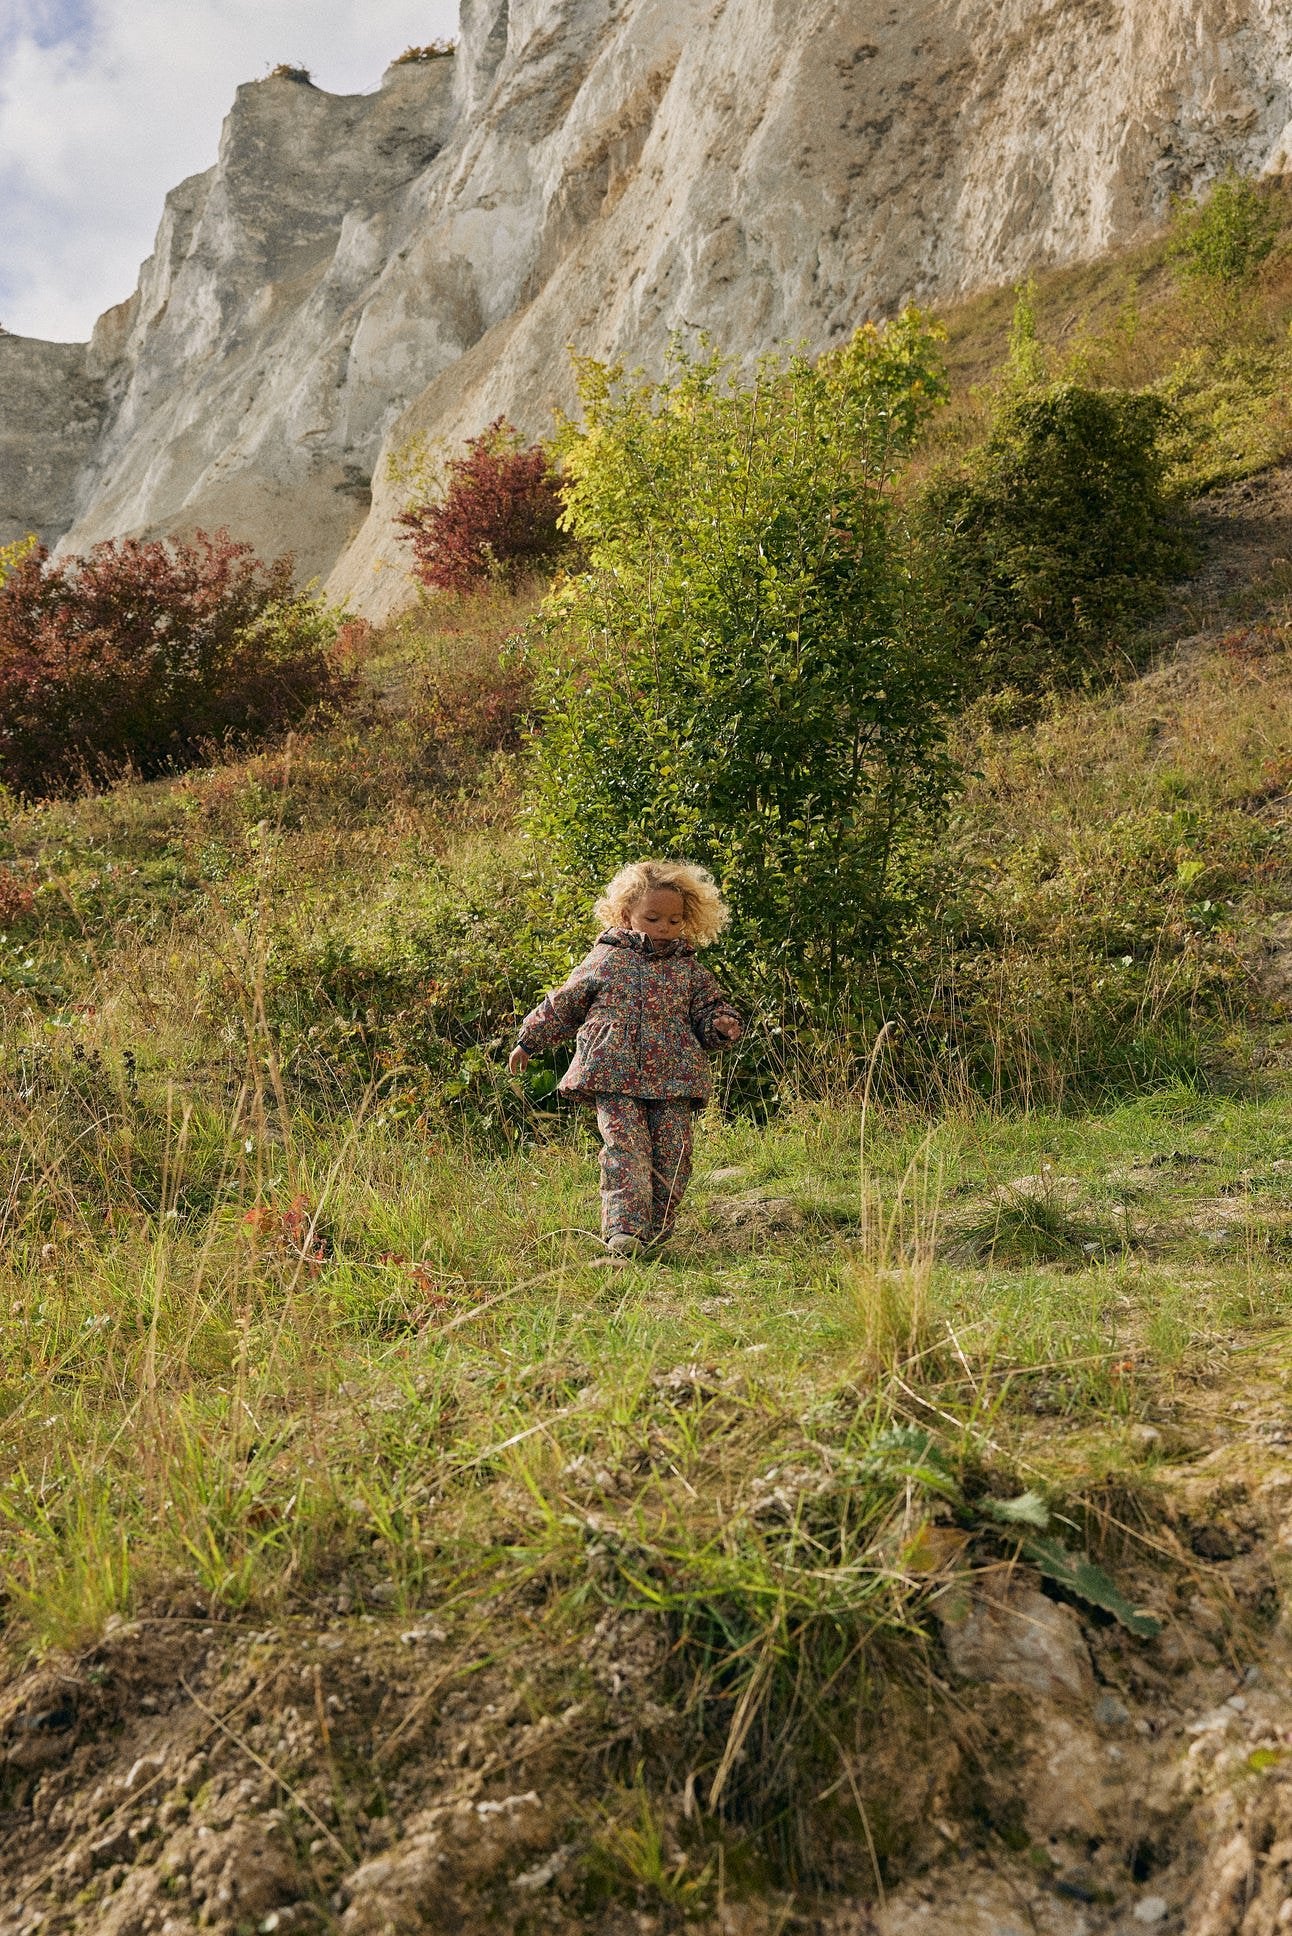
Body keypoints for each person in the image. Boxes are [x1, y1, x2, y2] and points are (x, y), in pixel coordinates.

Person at [509, 860, 743, 1257]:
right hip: (613, 1074)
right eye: (653, 918)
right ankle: (624, 1233)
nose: (664, 928)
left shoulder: (690, 970)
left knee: (674, 1155)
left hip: (674, 1080)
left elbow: (709, 1011)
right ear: (626, 914)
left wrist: (721, 1025)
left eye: (674, 920)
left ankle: (654, 1234)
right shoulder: (606, 959)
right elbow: (563, 1005)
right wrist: (529, 1041)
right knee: (625, 1149)